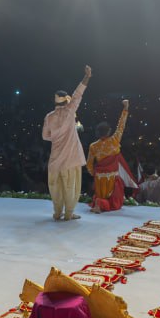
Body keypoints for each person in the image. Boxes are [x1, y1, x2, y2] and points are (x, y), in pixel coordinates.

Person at [42, 65, 91, 221]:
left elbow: (45, 136)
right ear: (66, 101)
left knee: (55, 188)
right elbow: (78, 95)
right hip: (70, 158)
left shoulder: (49, 116)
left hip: (55, 159)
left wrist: (57, 138)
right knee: (71, 187)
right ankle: (69, 214)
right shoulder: (70, 112)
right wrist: (87, 77)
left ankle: (57, 213)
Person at [85, 99, 133, 213]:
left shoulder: (93, 146)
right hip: (112, 178)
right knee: (114, 202)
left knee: (102, 196)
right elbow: (121, 126)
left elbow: (89, 164)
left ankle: (99, 202)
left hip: (99, 178)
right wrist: (125, 108)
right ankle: (100, 203)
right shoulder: (114, 141)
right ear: (108, 131)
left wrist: (94, 174)